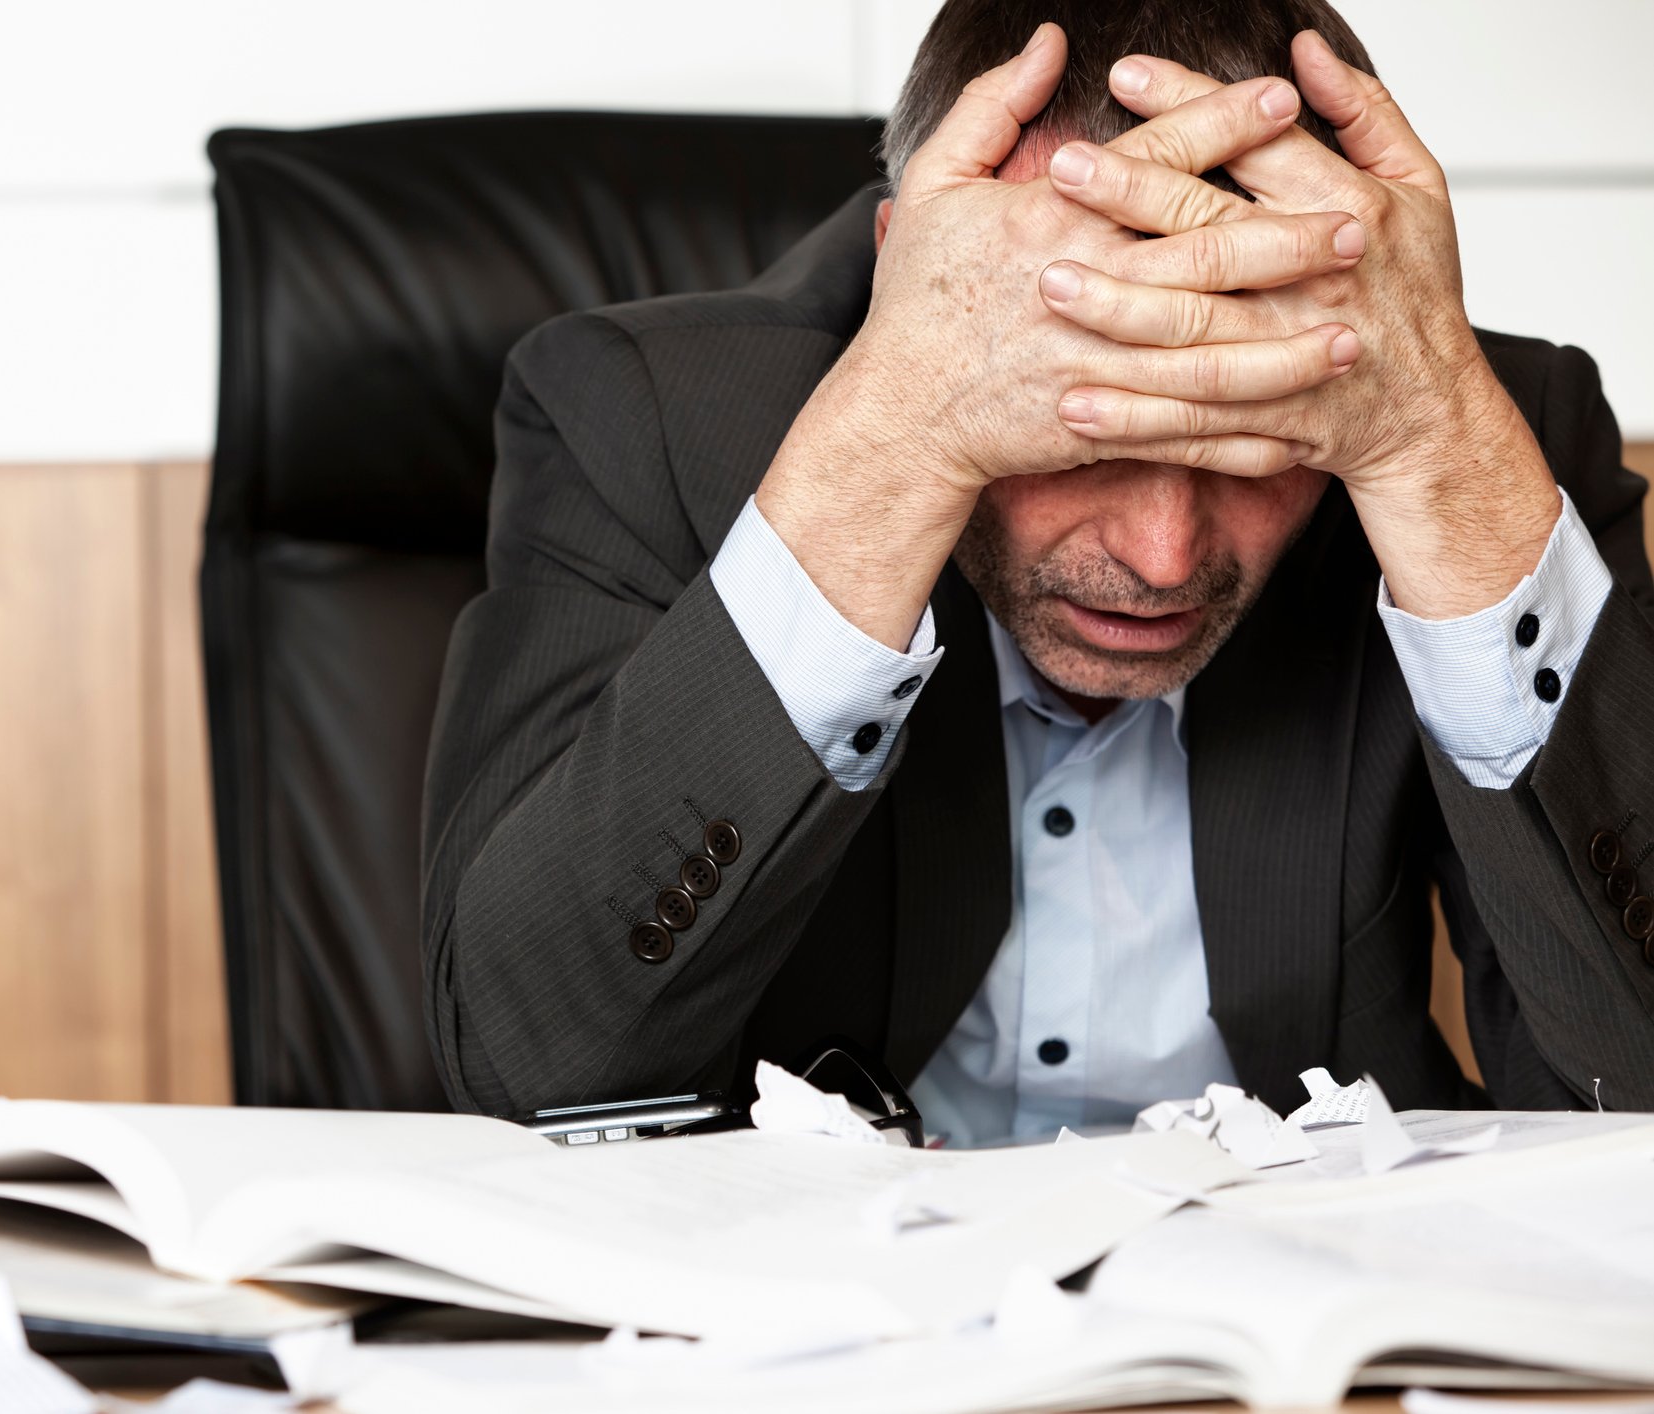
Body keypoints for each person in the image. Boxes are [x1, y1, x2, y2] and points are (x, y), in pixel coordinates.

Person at [420, 0, 1654, 1142]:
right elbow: (521, 1064)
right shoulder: (643, 416)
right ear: (911, 288)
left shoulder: (1467, 433)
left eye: (1257, 437)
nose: (1160, 558)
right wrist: (892, 436)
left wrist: (1443, 459)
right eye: (1081, 421)